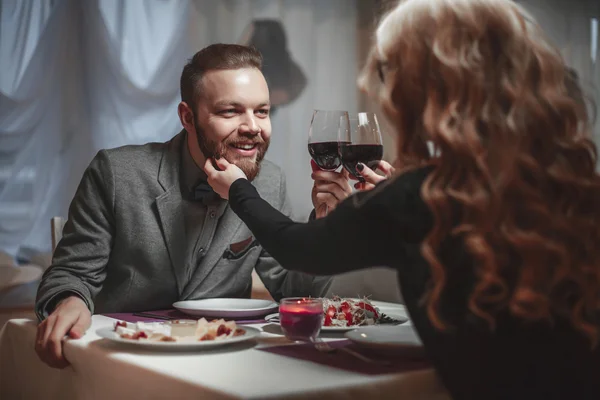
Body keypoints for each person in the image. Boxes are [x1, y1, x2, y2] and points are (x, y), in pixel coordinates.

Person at [202, 1, 600, 398]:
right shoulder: (572, 185)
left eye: (390, 73)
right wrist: (377, 207)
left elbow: (294, 247)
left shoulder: (416, 198)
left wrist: (238, 188)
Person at [34, 44, 331, 368]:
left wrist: (325, 226)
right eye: (230, 111)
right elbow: (71, 273)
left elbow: (293, 287)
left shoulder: (270, 182)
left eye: (261, 111)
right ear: (187, 117)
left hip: (226, 360)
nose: (253, 127)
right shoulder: (116, 173)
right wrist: (70, 300)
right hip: (128, 360)